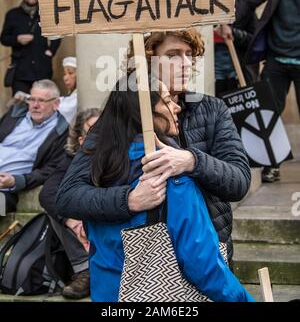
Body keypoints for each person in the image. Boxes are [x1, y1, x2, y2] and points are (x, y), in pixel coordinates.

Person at [56, 30, 251, 268]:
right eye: (173, 55)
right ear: (147, 60)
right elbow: (68, 196)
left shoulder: (211, 109)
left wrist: (191, 161)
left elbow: (240, 181)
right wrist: (129, 200)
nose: (186, 64)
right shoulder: (120, 113)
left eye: (189, 55)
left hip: (207, 257)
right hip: (140, 267)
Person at [74, 77, 254, 302]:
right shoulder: (170, 174)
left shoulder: (97, 171)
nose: (177, 106)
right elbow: (203, 265)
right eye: (168, 101)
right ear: (145, 114)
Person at [236, 0, 300, 182]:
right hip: (276, 59)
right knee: (268, 113)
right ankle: (271, 166)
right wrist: (230, 20)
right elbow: (250, 1)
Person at [39, 108, 100, 299]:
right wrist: (72, 220)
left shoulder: (120, 154)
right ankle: (85, 270)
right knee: (59, 206)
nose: (100, 135)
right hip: (83, 228)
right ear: (81, 140)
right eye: (92, 130)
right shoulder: (72, 158)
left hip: (109, 218)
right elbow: (47, 193)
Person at [0, 79, 68, 215]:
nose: (35, 105)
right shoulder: (14, 116)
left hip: (5, 190)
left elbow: (50, 169)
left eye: (42, 101)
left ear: (56, 104)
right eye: (32, 99)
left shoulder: (61, 133)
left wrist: (16, 181)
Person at [0, 0, 61, 95]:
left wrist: (50, 51)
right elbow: (4, 38)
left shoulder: (46, 14)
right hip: (21, 71)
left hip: (42, 68)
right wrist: (17, 39)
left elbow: (56, 35)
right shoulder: (13, 14)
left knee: (42, 103)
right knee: (21, 106)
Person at [214, 0, 258, 95]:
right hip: (210, 68)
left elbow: (253, 39)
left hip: (238, 66)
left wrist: (234, 33)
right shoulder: (199, 3)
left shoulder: (244, 3)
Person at [59, 57, 78, 124]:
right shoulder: (70, 95)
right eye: (64, 74)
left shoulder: (79, 96)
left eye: (70, 73)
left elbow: (64, 109)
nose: (65, 78)